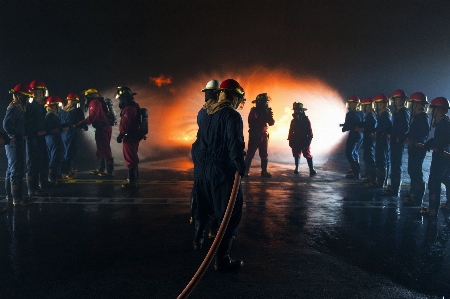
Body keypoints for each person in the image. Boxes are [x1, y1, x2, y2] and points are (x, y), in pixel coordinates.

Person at [191, 78, 245, 271]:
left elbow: (197, 142)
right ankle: (222, 261)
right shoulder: (232, 116)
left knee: (203, 205)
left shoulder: (204, 112)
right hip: (222, 171)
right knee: (229, 213)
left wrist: (199, 163)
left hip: (202, 169)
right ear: (234, 96)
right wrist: (240, 166)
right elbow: (235, 145)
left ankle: (198, 241)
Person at [190, 80, 220, 234]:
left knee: (200, 195)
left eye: (207, 92)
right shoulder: (221, 113)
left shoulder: (203, 112)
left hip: (201, 159)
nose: (205, 96)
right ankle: (212, 231)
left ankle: (199, 234)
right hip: (213, 162)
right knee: (216, 196)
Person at [4, 84, 34, 205]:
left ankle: (10, 196)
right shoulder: (14, 109)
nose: (28, 100)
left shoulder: (19, 108)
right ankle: (17, 199)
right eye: (27, 97)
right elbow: (6, 125)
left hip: (16, 142)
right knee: (16, 170)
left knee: (11, 169)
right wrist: (16, 135)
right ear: (21, 96)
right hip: (14, 143)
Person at [420, 97, 450, 217]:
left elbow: (443, 140)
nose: (432, 112)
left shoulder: (443, 123)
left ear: (439, 110)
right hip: (443, 156)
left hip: (441, 157)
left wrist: (434, 143)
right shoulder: (444, 123)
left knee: (434, 181)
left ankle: (432, 208)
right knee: (446, 179)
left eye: (434, 109)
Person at [77, 88, 114, 177]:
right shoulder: (97, 102)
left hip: (103, 128)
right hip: (102, 127)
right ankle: (101, 168)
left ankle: (109, 171)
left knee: (105, 148)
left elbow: (93, 115)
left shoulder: (94, 103)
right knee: (100, 147)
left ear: (89, 96)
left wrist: (83, 123)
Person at [403, 92, 429, 205]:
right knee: (412, 170)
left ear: (417, 104)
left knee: (416, 171)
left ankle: (417, 196)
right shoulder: (418, 116)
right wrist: (407, 135)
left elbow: (424, 132)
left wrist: (414, 139)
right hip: (414, 147)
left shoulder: (422, 116)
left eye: (412, 103)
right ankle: (413, 192)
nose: (410, 106)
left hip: (418, 148)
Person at [383, 89, 410, 196]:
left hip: (397, 142)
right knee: (394, 163)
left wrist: (399, 137)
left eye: (398, 99)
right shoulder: (397, 112)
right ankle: (393, 186)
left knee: (396, 164)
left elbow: (405, 127)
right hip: (395, 141)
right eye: (395, 99)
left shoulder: (403, 112)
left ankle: (395, 188)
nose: (396, 101)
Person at [116, 86, 142, 188]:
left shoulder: (128, 108)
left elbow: (125, 124)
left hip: (130, 136)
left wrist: (121, 134)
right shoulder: (134, 106)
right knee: (133, 157)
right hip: (134, 135)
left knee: (130, 158)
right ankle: (133, 180)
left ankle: (132, 182)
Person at [26, 79, 49, 196]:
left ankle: (38, 185)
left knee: (41, 162)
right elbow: (29, 124)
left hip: (40, 137)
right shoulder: (31, 106)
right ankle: (32, 189)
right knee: (32, 163)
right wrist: (36, 133)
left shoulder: (40, 106)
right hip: (34, 138)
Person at [244, 93, 275, 177]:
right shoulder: (254, 111)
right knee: (250, 153)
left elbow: (271, 123)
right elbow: (253, 123)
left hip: (263, 135)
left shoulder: (266, 111)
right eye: (265, 102)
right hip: (255, 135)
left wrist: (269, 117)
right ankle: (246, 171)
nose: (266, 104)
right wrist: (264, 117)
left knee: (264, 154)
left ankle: (264, 172)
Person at [60, 93, 86, 179]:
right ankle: (67, 172)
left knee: (64, 152)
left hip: (62, 134)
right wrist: (83, 126)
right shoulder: (77, 111)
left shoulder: (61, 110)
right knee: (70, 152)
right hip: (71, 133)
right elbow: (82, 122)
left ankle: (66, 170)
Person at [287, 102, 317, 175]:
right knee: (296, 154)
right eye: (295, 110)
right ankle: (297, 168)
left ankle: (311, 169)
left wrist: (309, 139)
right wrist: (290, 139)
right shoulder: (293, 121)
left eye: (297, 110)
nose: (295, 112)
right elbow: (290, 131)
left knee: (307, 154)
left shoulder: (306, 120)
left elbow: (309, 131)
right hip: (295, 139)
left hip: (304, 139)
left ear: (301, 110)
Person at [370, 93, 392, 188]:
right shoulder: (385, 113)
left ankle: (381, 181)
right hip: (381, 139)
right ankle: (382, 181)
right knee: (382, 159)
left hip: (382, 141)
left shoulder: (384, 114)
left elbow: (387, 127)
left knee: (381, 160)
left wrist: (381, 135)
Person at [341, 96, 364, 179]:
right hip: (360, 135)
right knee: (355, 152)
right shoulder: (362, 113)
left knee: (349, 153)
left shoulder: (349, 114)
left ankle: (355, 173)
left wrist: (344, 128)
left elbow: (348, 125)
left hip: (353, 135)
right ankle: (355, 170)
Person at [44, 96, 65, 186]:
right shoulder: (50, 116)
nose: (59, 108)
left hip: (54, 137)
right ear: (53, 106)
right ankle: (52, 178)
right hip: (52, 138)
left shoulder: (54, 115)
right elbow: (48, 128)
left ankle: (55, 175)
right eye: (58, 105)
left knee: (57, 156)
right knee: (54, 157)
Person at [359, 97, 377, 185]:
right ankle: (368, 174)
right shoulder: (369, 115)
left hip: (370, 140)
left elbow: (370, 127)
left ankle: (372, 177)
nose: (362, 108)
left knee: (369, 157)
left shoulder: (371, 116)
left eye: (364, 106)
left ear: (368, 106)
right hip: (368, 139)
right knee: (366, 156)